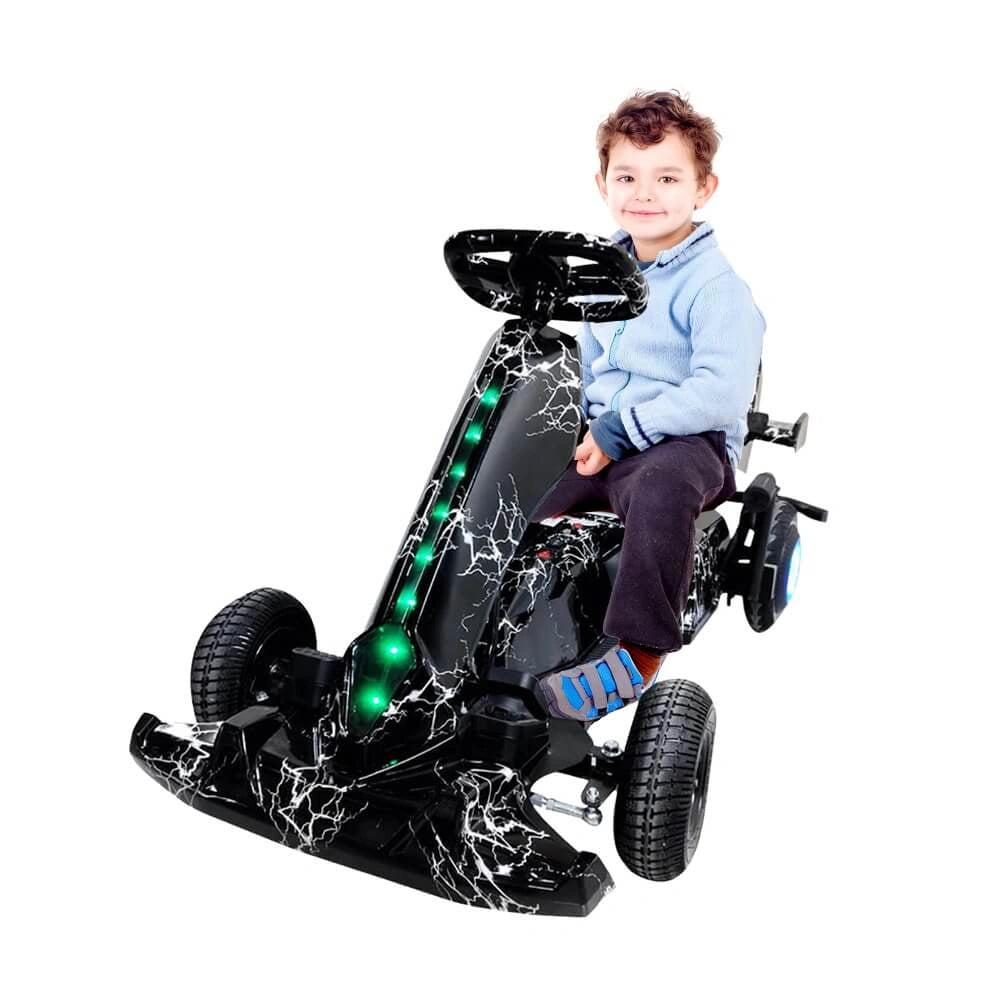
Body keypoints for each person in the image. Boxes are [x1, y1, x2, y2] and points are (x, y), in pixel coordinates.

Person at [535, 89, 766, 723]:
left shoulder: (716, 289)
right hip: (606, 439)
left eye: (667, 177)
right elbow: (591, 370)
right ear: (602, 183)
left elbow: (719, 391)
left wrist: (622, 428)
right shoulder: (604, 277)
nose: (645, 192)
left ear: (704, 188)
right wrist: (573, 428)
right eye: (627, 176)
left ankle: (636, 655)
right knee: (511, 491)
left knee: (660, 488)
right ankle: (478, 627)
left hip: (684, 445)